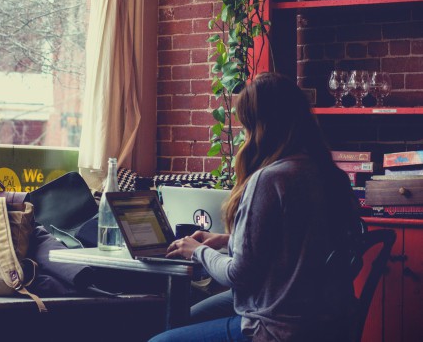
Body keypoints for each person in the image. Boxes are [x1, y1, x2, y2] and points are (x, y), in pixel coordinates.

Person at [149, 72, 362, 342]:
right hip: (327, 320)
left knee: (160, 340)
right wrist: (225, 240)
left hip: (279, 326)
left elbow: (238, 275)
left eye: (246, 124)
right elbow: (296, 244)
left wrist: (198, 251)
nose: (243, 133)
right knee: (182, 318)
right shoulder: (327, 173)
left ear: (261, 126)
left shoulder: (271, 179)